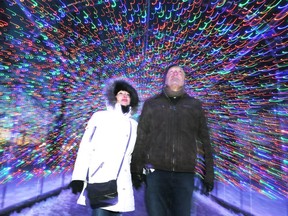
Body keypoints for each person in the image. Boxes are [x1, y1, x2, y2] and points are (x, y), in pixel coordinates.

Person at [131, 64, 214, 216]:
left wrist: (209, 173)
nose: (175, 74)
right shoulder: (152, 104)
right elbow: (141, 138)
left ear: (184, 79)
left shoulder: (195, 105)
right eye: (171, 72)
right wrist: (136, 169)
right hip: (155, 173)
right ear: (165, 79)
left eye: (179, 72)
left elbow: (205, 140)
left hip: (185, 174)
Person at [70, 79, 139, 216]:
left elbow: (132, 154)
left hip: (122, 185)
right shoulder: (99, 117)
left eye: (128, 94)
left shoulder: (134, 125)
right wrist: (78, 177)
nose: (125, 96)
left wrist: (137, 173)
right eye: (120, 93)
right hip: (100, 180)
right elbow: (86, 148)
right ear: (114, 97)